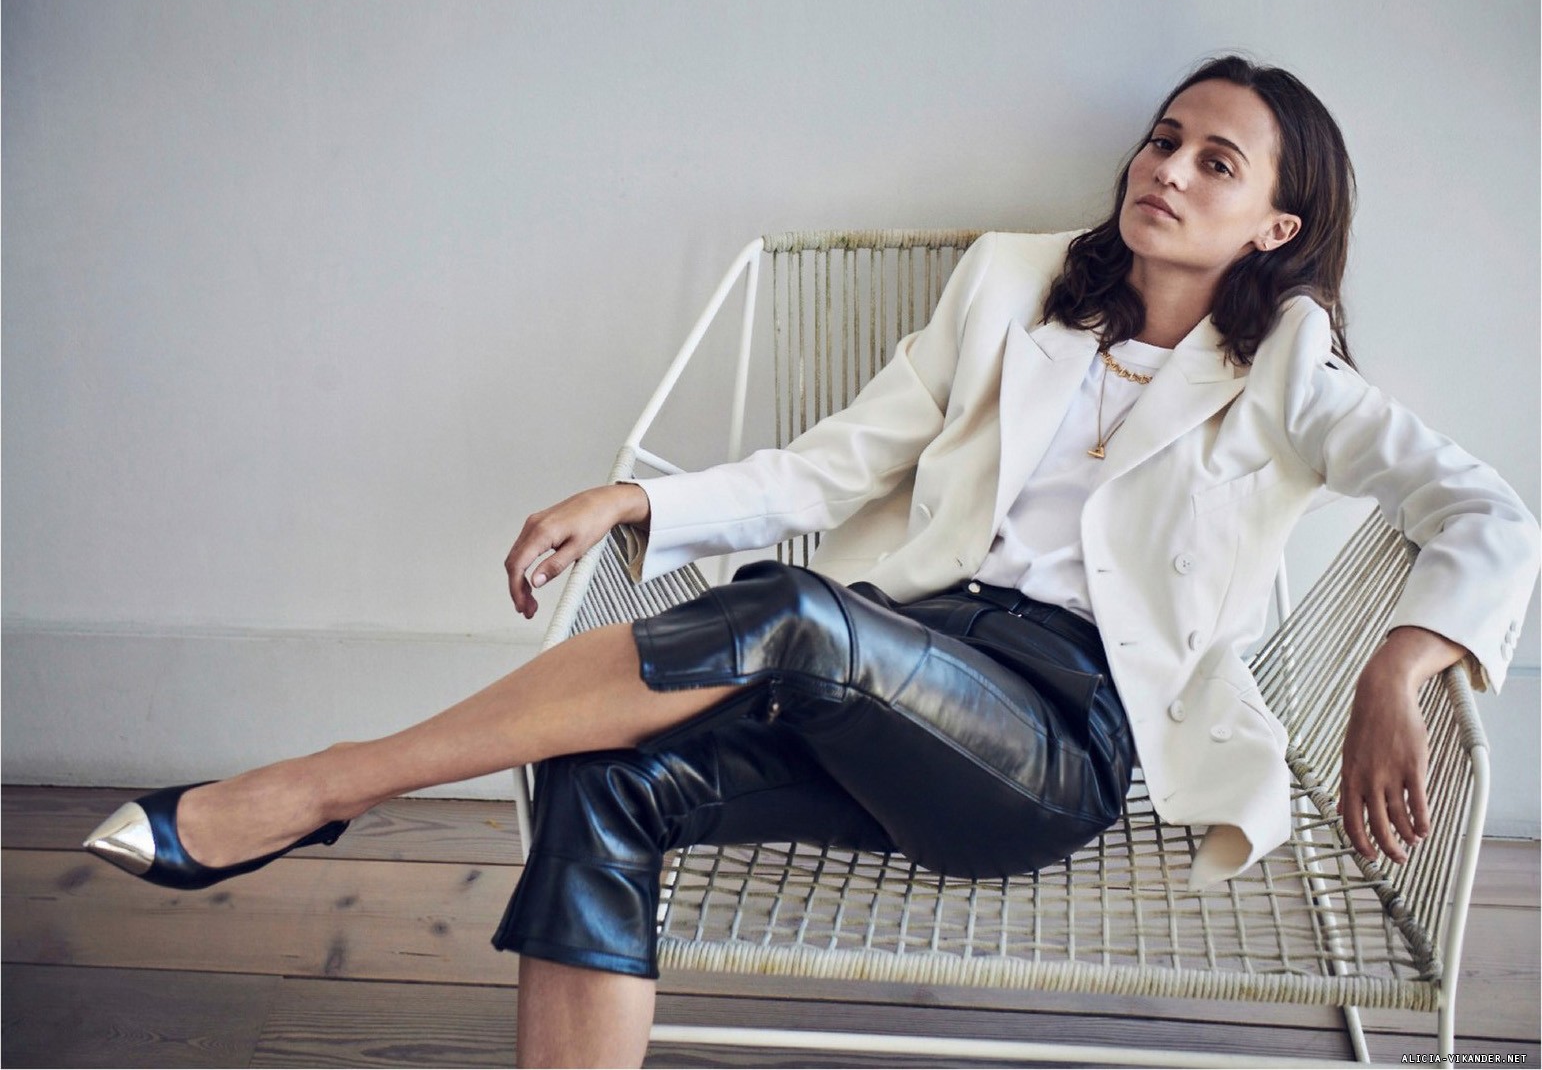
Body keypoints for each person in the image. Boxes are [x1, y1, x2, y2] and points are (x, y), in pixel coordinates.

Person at [83, 55, 1540, 1067]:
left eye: (1214, 162)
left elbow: (1488, 512)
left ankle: (322, 785)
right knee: (603, 781)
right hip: (895, 676)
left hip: (1056, 743)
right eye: (1162, 139)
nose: (1165, 169)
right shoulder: (1012, 285)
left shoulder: (1287, 370)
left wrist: (1401, 662)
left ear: (1275, 225)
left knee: (795, 613)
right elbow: (835, 463)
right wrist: (634, 501)